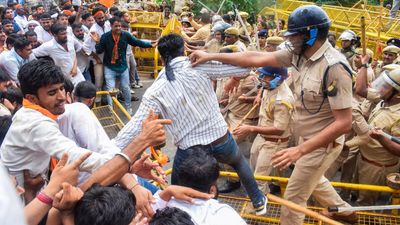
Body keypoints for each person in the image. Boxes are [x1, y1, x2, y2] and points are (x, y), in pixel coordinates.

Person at [190, 5, 357, 224]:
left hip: (321, 144)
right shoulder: (299, 54)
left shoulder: (334, 67)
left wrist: (299, 150)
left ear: (311, 34)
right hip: (305, 138)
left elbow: (344, 123)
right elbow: (257, 57)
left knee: (294, 197)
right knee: (313, 180)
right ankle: (344, 211)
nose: (290, 40)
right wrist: (209, 56)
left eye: (294, 36)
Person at [114, 33, 268, 215]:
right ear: (184, 49)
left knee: (179, 189)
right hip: (220, 138)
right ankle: (258, 200)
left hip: (190, 151)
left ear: (162, 58)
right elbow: (244, 70)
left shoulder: (155, 90)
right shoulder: (200, 65)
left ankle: (182, 215)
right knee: (239, 162)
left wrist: (109, 150)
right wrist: (210, 56)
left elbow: (132, 130)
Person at [0, 59, 170, 199]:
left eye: (61, 89)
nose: (61, 97)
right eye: (52, 93)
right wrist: (131, 159)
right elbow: (78, 158)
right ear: (32, 98)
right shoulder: (36, 123)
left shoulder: (56, 113)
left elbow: (103, 150)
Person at [233, 66, 294, 194]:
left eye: (265, 76)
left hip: (274, 143)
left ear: (277, 79)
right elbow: (266, 101)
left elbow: (279, 129)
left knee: (259, 179)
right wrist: (251, 99)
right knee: (254, 169)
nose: (261, 79)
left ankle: (259, 207)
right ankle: (270, 194)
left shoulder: (283, 100)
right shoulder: (269, 87)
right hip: (262, 138)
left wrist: (250, 128)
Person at [151, 149, 247, 225]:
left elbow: (153, 206)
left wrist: (168, 191)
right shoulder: (223, 214)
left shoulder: (163, 206)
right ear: (212, 190)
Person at [94, 17, 152, 113]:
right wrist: (97, 42)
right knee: (111, 90)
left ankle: (128, 108)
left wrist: (150, 44)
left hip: (123, 67)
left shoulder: (125, 35)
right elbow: (99, 50)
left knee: (126, 87)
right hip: (110, 67)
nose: (118, 28)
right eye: (116, 26)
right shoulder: (105, 37)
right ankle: (111, 109)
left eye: (120, 26)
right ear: (111, 26)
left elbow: (136, 42)